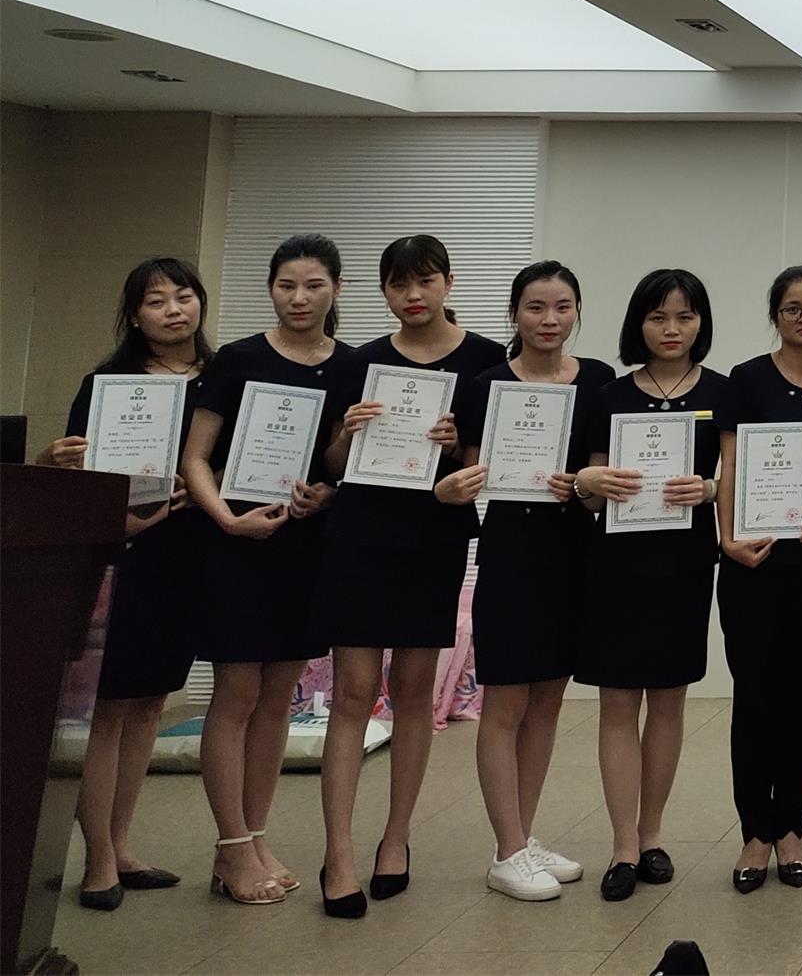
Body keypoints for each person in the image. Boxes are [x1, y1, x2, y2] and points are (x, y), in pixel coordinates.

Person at [315, 234, 503, 916]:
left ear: (449, 282)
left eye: (425, 280)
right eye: (399, 284)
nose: (413, 295)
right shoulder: (359, 362)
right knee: (352, 692)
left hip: (433, 539)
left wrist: (457, 452)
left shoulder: (486, 361)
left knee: (415, 691)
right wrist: (349, 431)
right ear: (384, 291)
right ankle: (338, 854)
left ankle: (396, 837)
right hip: (360, 535)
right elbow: (333, 464)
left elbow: (492, 461)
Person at [180, 234, 348, 908]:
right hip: (238, 543)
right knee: (237, 691)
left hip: (304, 548)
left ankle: (254, 836)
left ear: (336, 289)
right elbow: (195, 457)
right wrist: (227, 519)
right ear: (271, 289)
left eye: (313, 285)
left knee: (280, 693)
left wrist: (326, 495)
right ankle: (230, 847)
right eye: (286, 285)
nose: (299, 298)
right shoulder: (238, 359)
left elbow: (337, 464)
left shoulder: (351, 365)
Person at [440, 261, 612, 902]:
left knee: (547, 703)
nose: (549, 319)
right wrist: (458, 481)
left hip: (576, 553)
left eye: (562, 307)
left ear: (577, 312)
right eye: (536, 307)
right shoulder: (485, 385)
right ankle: (507, 850)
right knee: (506, 703)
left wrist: (585, 487)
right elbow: (467, 473)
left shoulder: (598, 380)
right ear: (515, 312)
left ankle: (521, 839)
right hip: (512, 553)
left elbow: (598, 485)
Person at [48, 259, 214, 909]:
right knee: (110, 708)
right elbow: (73, 473)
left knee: (151, 704)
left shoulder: (222, 379)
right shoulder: (107, 384)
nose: (173, 309)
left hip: (190, 557)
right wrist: (57, 460)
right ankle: (96, 859)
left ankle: (120, 844)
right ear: (135, 316)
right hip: (124, 558)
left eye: (184, 296)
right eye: (156, 300)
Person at [573, 268, 729, 902]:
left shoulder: (722, 392)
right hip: (615, 566)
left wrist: (711, 488)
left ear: (701, 324)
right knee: (617, 703)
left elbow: (738, 478)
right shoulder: (607, 395)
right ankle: (622, 846)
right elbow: (586, 491)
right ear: (638, 323)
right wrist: (589, 484)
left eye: (685, 317)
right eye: (658, 316)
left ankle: (653, 834)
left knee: (668, 701)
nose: (671, 329)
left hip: (684, 563)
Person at [715, 266, 802, 894]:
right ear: (776, 315)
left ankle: (791, 826)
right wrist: (727, 540)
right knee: (754, 698)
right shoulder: (745, 380)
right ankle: (755, 831)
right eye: (792, 307)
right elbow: (730, 467)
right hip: (753, 564)